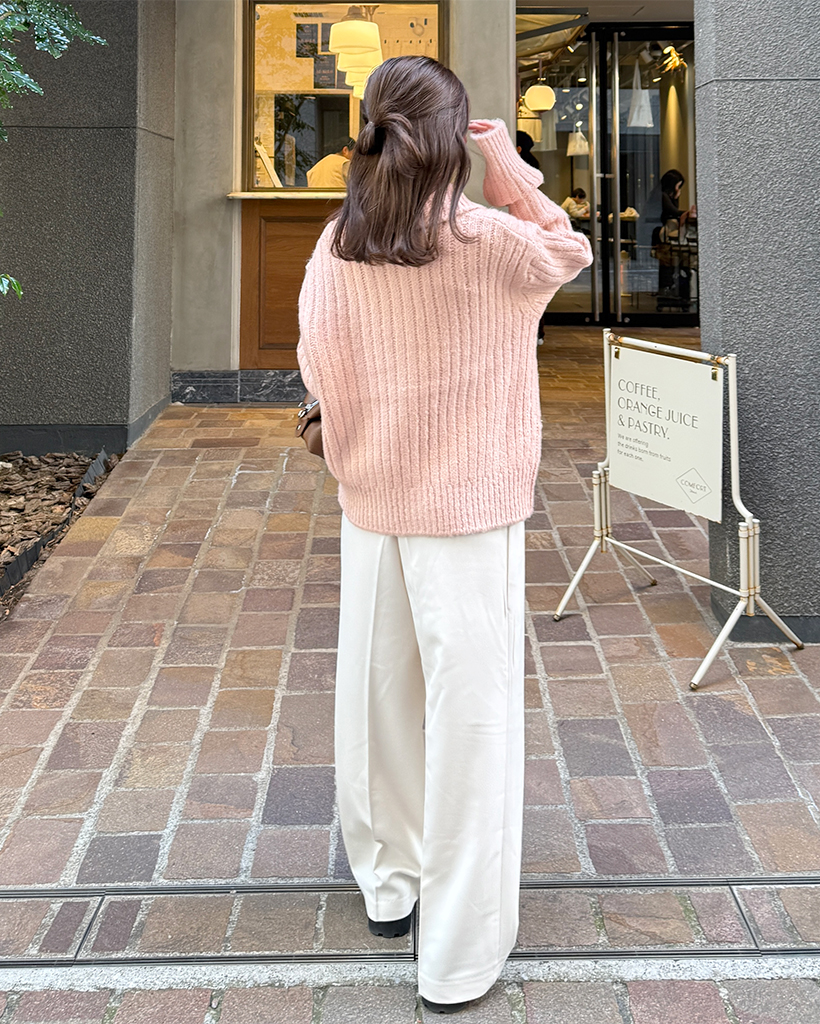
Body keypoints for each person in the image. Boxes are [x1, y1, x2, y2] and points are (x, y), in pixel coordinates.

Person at [297, 55, 591, 1014]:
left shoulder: (339, 241)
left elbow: (314, 360)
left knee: (376, 700)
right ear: (451, 135)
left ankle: (389, 885)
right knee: (471, 718)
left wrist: (354, 442)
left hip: (373, 500)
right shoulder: (491, 240)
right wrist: (505, 164)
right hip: (469, 509)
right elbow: (570, 250)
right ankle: (458, 956)